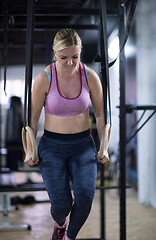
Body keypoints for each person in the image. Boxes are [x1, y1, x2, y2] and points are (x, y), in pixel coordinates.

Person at [25, 29, 109, 240]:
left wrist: (103, 147)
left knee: (85, 197)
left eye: (75, 57)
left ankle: (68, 237)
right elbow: (32, 120)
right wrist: (29, 150)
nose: (70, 63)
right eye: (64, 58)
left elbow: (100, 116)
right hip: (52, 147)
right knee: (61, 205)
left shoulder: (90, 76)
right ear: (54, 52)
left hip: (82, 146)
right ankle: (60, 224)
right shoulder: (44, 78)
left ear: (80, 53)